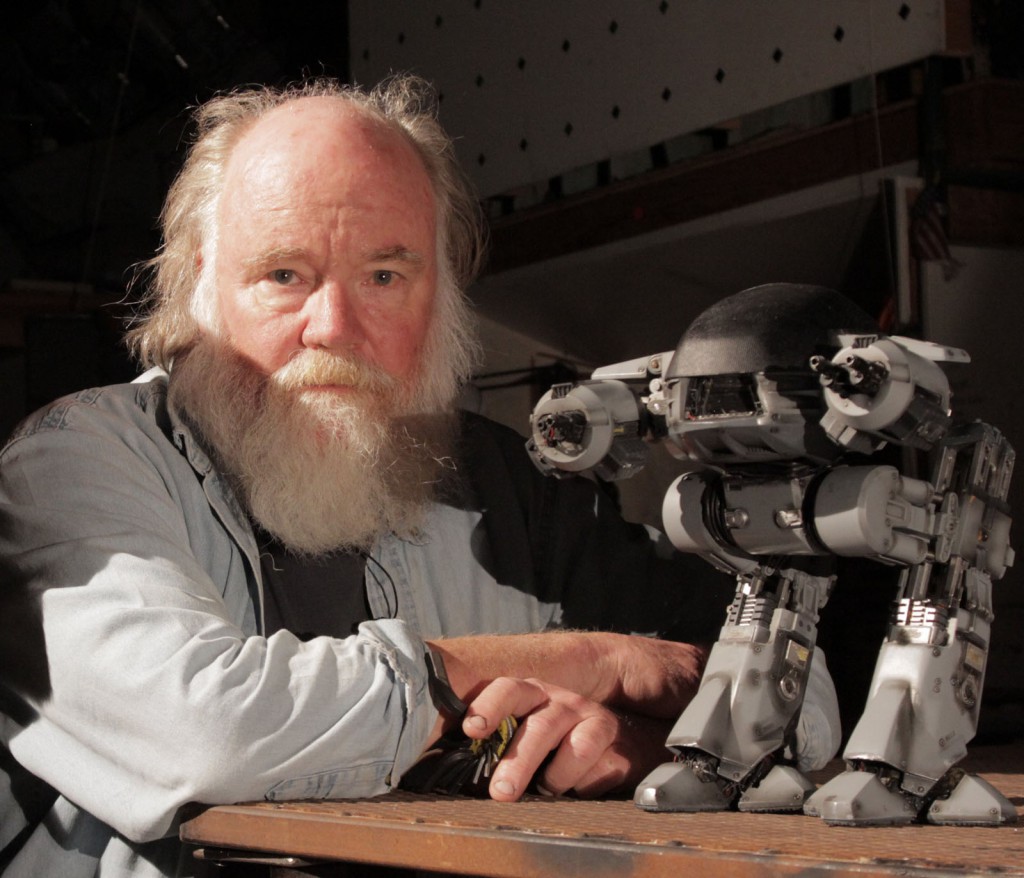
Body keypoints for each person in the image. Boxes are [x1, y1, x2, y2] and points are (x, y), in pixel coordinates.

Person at [0, 75, 840, 877]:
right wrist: (584, 659)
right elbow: (201, 731)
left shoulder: (508, 484)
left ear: (440, 297)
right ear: (197, 288)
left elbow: (798, 697)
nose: (333, 326)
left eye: (384, 276)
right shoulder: (77, 460)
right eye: (284, 275)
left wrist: (641, 744)